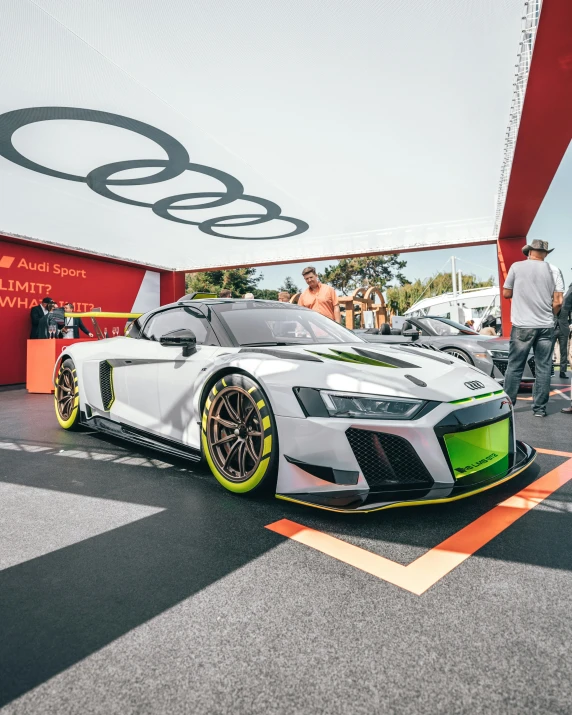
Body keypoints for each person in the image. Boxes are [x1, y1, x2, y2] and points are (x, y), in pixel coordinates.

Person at [502, 239, 564, 417]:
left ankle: (508, 407)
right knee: (543, 367)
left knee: (515, 366)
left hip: (522, 325)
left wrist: (522, 290)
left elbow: (506, 292)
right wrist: (549, 314)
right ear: (545, 254)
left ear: (529, 252)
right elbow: (558, 301)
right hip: (546, 326)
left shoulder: (516, 267)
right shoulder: (554, 270)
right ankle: (539, 409)